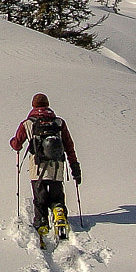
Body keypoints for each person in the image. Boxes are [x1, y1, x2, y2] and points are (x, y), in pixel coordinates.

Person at [10, 93, 82, 245]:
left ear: (33, 106)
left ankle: (41, 224)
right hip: (57, 167)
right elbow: (69, 146)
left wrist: (13, 143)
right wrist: (74, 167)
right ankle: (59, 212)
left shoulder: (28, 123)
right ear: (48, 105)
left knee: (40, 199)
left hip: (37, 168)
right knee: (57, 197)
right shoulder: (58, 123)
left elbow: (17, 144)